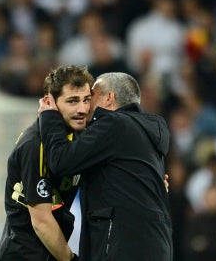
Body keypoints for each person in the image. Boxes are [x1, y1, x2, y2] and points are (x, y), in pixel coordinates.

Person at [38, 72, 173, 260]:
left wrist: (50, 117)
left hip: (123, 247)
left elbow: (61, 161)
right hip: (156, 244)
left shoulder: (113, 124)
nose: (85, 106)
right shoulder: (145, 132)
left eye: (91, 96)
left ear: (109, 98)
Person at [0, 65, 94, 261]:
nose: (82, 109)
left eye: (86, 100)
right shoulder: (36, 145)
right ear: (51, 102)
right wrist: (70, 259)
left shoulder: (78, 135)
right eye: (72, 101)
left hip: (49, 251)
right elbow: (41, 221)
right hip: (24, 254)